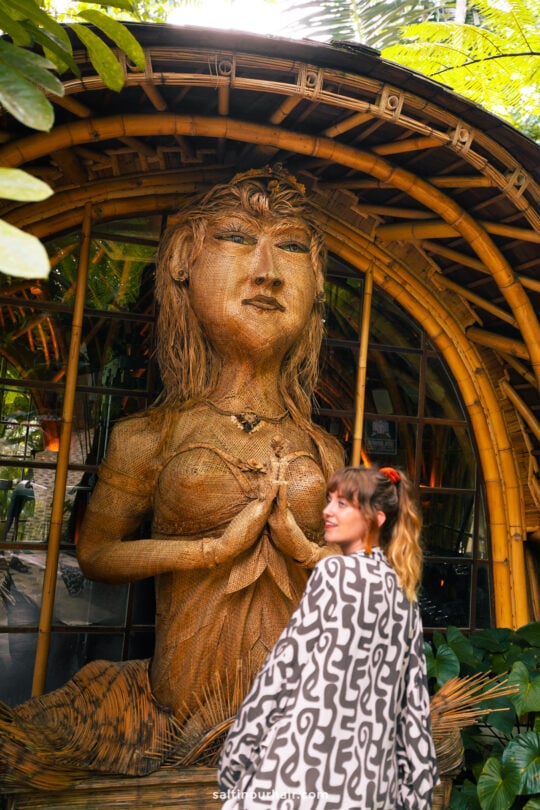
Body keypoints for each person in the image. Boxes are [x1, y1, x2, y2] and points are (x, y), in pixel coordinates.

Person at [0, 166, 344, 788]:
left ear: (316, 284)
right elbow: (98, 554)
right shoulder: (151, 435)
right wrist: (206, 550)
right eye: (238, 238)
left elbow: (370, 578)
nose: (267, 270)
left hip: (302, 719)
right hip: (182, 717)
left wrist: (302, 549)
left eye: (291, 245)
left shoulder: (324, 447)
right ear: (185, 262)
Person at [218, 465, 439, 809]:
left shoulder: (334, 573)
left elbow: (281, 672)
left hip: (303, 769)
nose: (327, 511)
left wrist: (237, 757)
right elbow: (413, 704)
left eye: (342, 504)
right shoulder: (402, 593)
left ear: (375, 518)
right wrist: (414, 790)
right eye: (330, 500)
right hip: (370, 784)